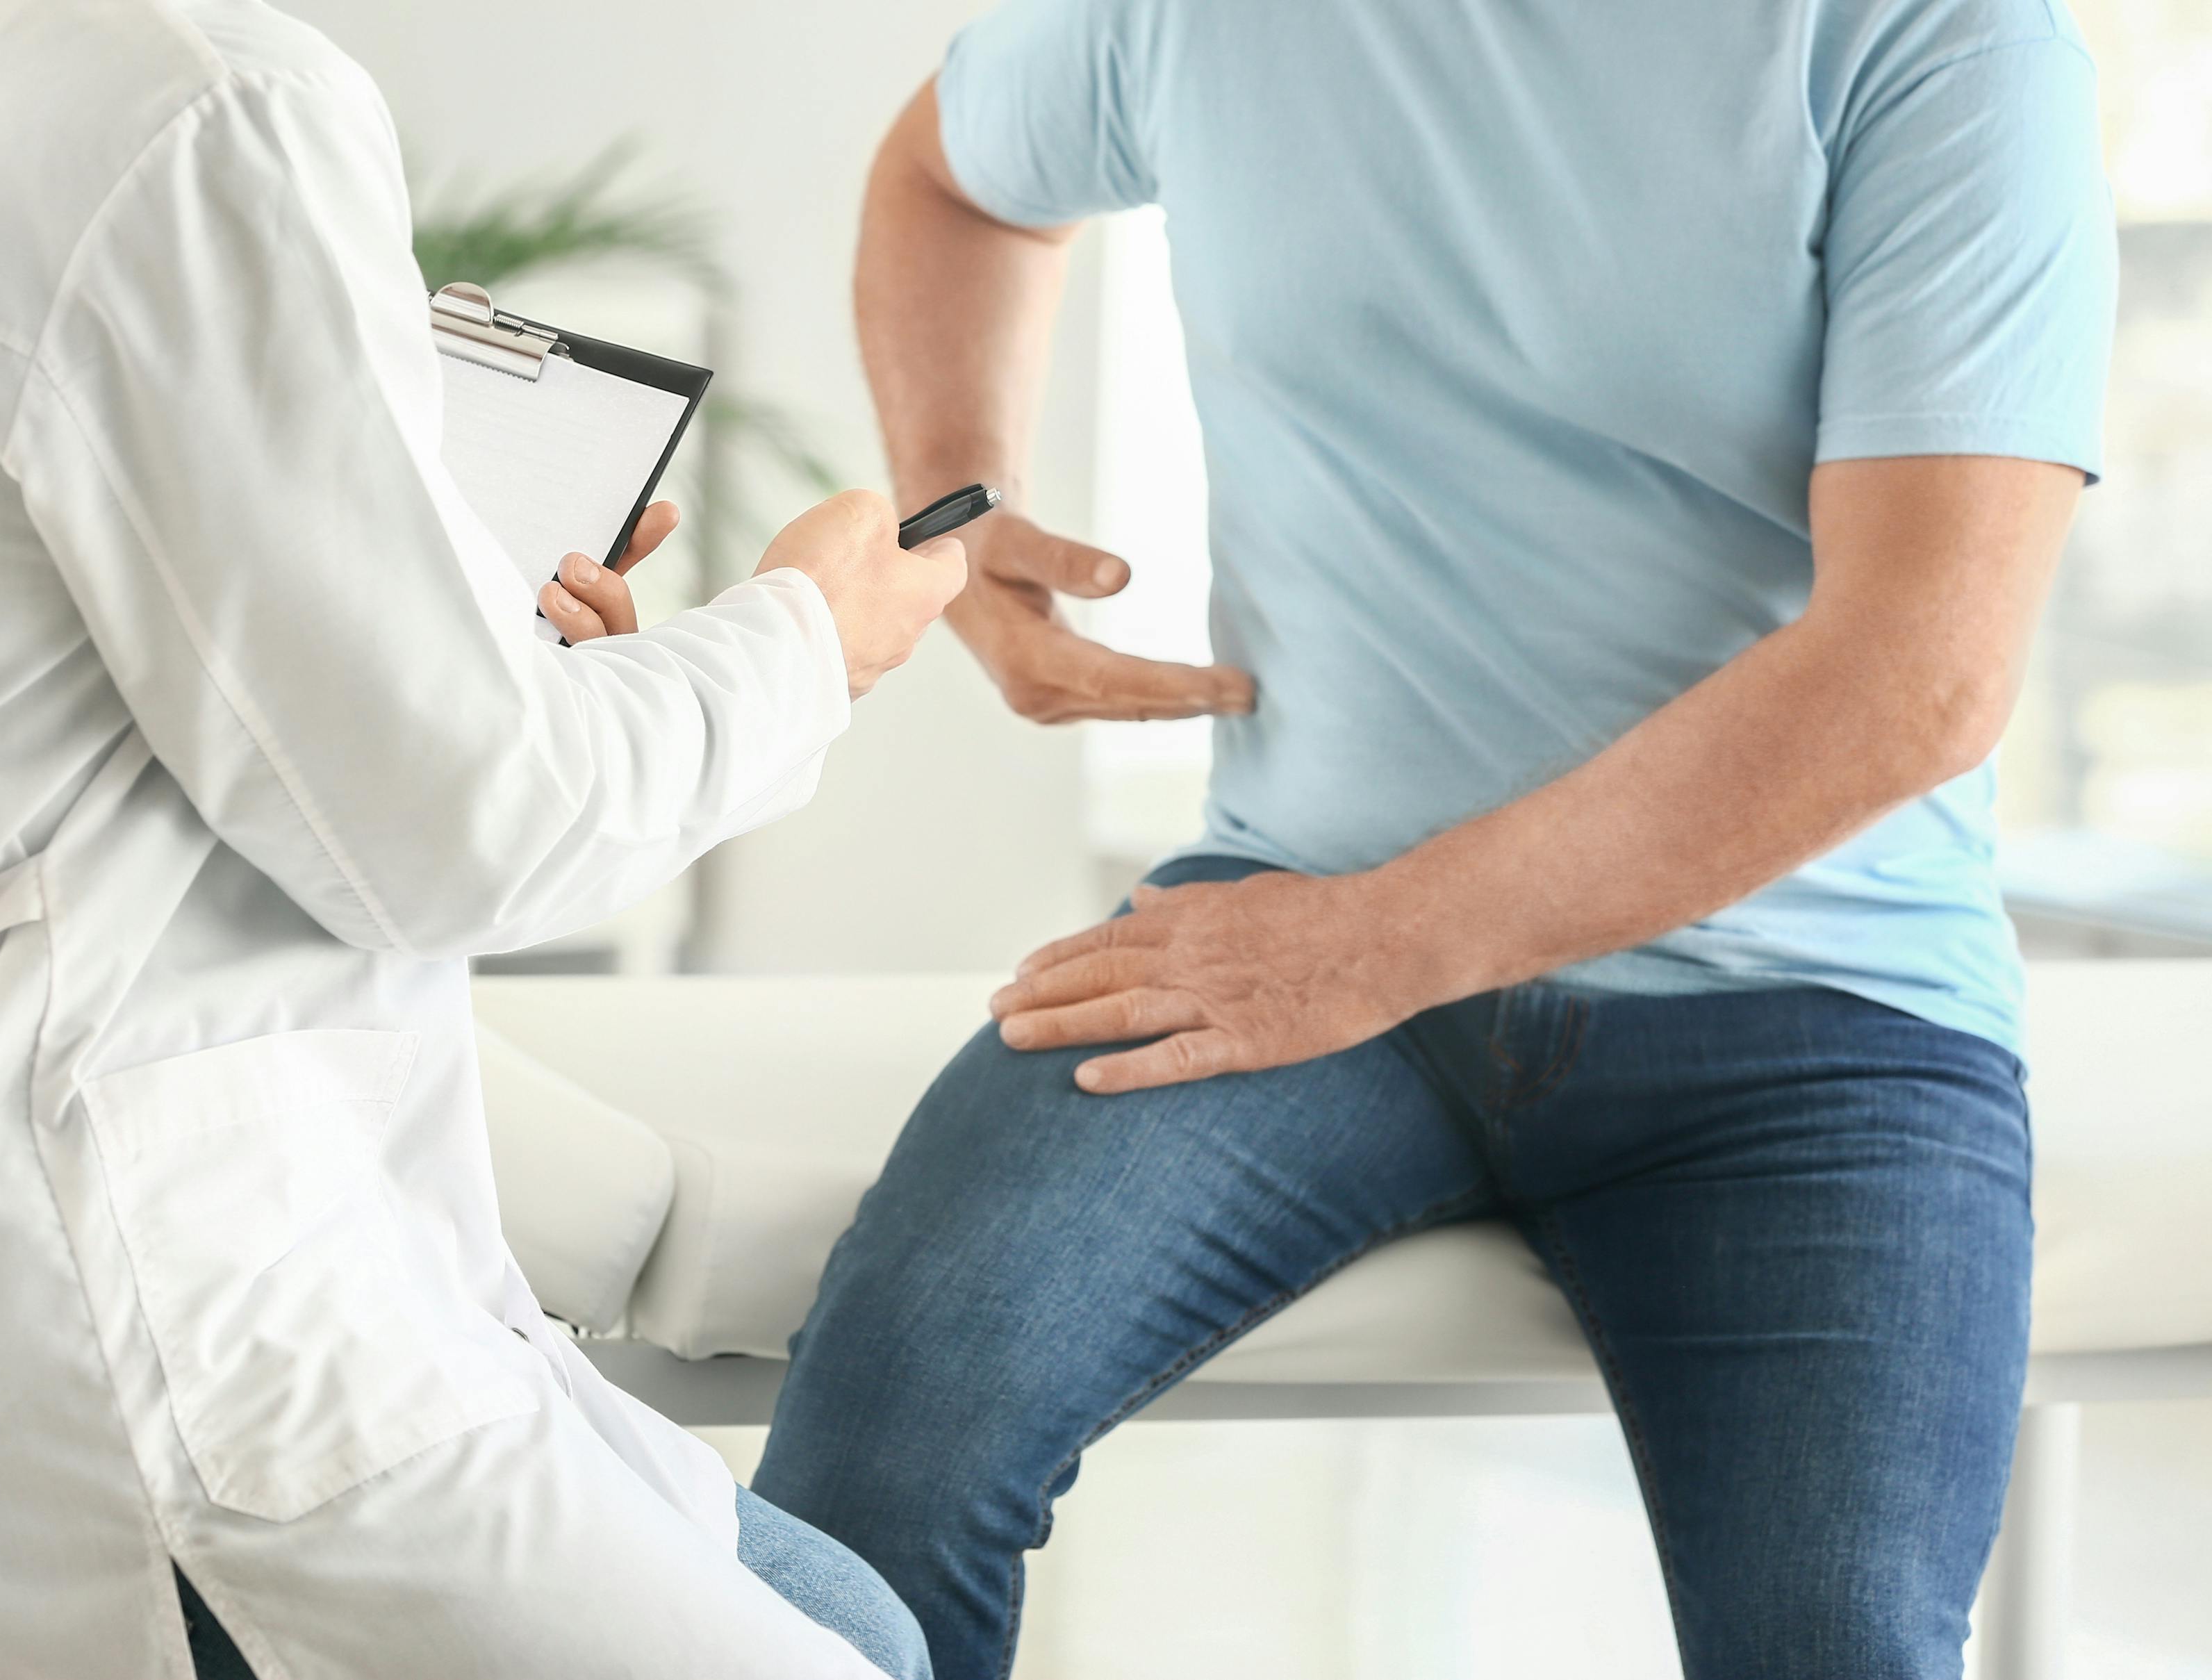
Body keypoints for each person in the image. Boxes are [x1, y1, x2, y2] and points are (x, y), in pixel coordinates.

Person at [0, 1, 962, 1676]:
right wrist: (802, 639)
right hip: (151, 1316)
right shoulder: (202, 106)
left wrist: (418, 609)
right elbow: (468, 829)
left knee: (857, 1616)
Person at [746, 1, 2116, 1676]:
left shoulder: (1941, 46)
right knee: (866, 1490)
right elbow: (951, 178)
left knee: (1840, 1643)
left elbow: (1918, 673)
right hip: (1290, 918)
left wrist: (1372, 945)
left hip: (1812, 1007)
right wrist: (960, 515)